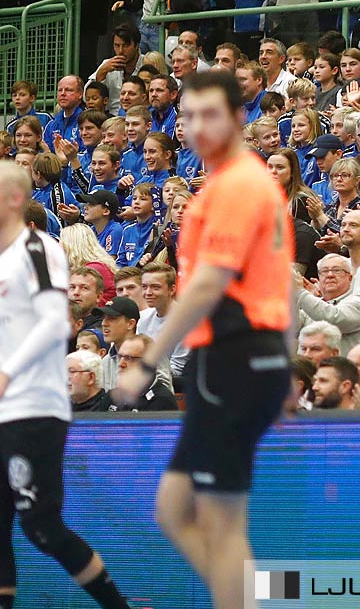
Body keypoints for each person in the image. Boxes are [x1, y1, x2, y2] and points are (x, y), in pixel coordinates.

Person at [112, 71, 292, 609]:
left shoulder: (239, 181)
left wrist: (149, 361)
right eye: (186, 116)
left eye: (209, 114)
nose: (195, 126)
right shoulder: (225, 182)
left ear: (239, 117)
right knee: (173, 508)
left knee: (221, 523)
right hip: (239, 361)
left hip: (236, 356)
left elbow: (210, 283)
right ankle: (243, 598)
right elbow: (280, 277)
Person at [0, 160, 136, 609]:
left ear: (17, 200)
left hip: (35, 407)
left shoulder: (37, 248)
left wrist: (1, 378)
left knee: (42, 527)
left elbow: (53, 323)